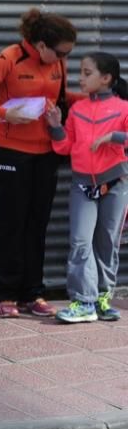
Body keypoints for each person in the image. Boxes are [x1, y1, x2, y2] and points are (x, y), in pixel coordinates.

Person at [0, 7, 78, 319]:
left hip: (47, 153)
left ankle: (33, 293)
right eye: (61, 52)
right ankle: (4, 293)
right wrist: (3, 113)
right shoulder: (10, 57)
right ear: (41, 45)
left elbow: (63, 98)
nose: (65, 57)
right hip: (10, 152)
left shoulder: (59, 63)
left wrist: (103, 98)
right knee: (12, 221)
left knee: (37, 222)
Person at [45, 52, 128, 324]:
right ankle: (83, 301)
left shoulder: (123, 108)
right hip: (82, 184)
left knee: (107, 242)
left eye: (87, 73)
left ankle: (103, 297)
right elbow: (66, 147)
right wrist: (56, 126)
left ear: (106, 79)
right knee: (81, 241)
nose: (80, 78)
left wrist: (112, 137)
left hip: (115, 183)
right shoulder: (78, 110)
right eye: (80, 72)